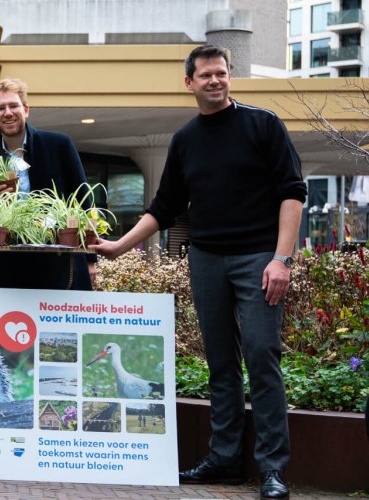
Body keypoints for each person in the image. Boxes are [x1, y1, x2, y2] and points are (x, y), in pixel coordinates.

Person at [91, 45, 303, 500]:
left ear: (229, 77)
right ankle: (225, 460)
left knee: (263, 358)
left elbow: (292, 193)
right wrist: (117, 248)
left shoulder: (263, 125)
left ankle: (272, 469)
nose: (215, 80)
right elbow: (164, 208)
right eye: (205, 75)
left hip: (259, 258)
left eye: (221, 73)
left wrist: (281, 260)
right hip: (205, 258)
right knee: (221, 363)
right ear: (189, 82)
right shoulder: (185, 139)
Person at [0, 78, 94, 290]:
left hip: (57, 261)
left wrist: (92, 259)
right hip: (5, 267)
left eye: (13, 106)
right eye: (0, 108)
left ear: (26, 109)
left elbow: (85, 201)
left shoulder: (59, 145)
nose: (8, 113)